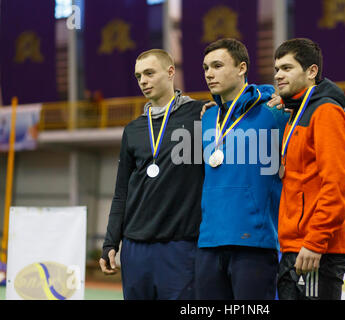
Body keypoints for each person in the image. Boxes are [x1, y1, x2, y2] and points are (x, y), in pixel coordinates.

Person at [99, 49, 205, 300]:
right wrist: (111, 242)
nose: (143, 81)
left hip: (181, 246)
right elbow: (121, 191)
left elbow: (242, 104)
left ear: (170, 72)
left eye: (149, 73)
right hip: (135, 248)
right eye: (138, 76)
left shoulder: (200, 115)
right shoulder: (133, 129)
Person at [195, 38, 289, 300]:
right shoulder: (209, 116)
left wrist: (275, 95)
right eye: (205, 68)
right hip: (209, 242)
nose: (209, 74)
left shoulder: (273, 110)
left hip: (254, 242)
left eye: (217, 65)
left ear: (241, 68)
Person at [273, 38, 345, 300]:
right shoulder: (296, 114)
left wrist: (315, 242)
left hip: (317, 250)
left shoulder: (326, 112)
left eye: (287, 68)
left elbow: (337, 184)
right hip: (295, 248)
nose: (278, 75)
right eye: (276, 69)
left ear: (311, 72)